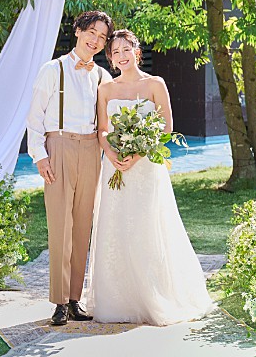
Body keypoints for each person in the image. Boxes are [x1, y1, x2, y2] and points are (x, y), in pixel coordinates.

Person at [85, 29, 214, 325]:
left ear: (137, 51)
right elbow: (102, 129)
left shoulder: (155, 83)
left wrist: (138, 153)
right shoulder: (106, 89)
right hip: (115, 167)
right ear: (110, 58)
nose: (121, 56)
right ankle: (119, 301)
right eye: (115, 52)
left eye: (126, 49)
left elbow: (166, 127)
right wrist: (112, 154)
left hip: (146, 167)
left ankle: (154, 296)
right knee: (116, 226)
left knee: (147, 225)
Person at [25, 10, 113, 326]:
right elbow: (35, 118)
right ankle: (59, 302)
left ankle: (75, 299)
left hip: (91, 150)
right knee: (60, 225)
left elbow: (110, 120)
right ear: (77, 31)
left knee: (82, 225)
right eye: (91, 32)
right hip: (59, 146)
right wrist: (40, 156)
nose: (95, 40)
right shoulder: (53, 70)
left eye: (102, 37)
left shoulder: (103, 77)